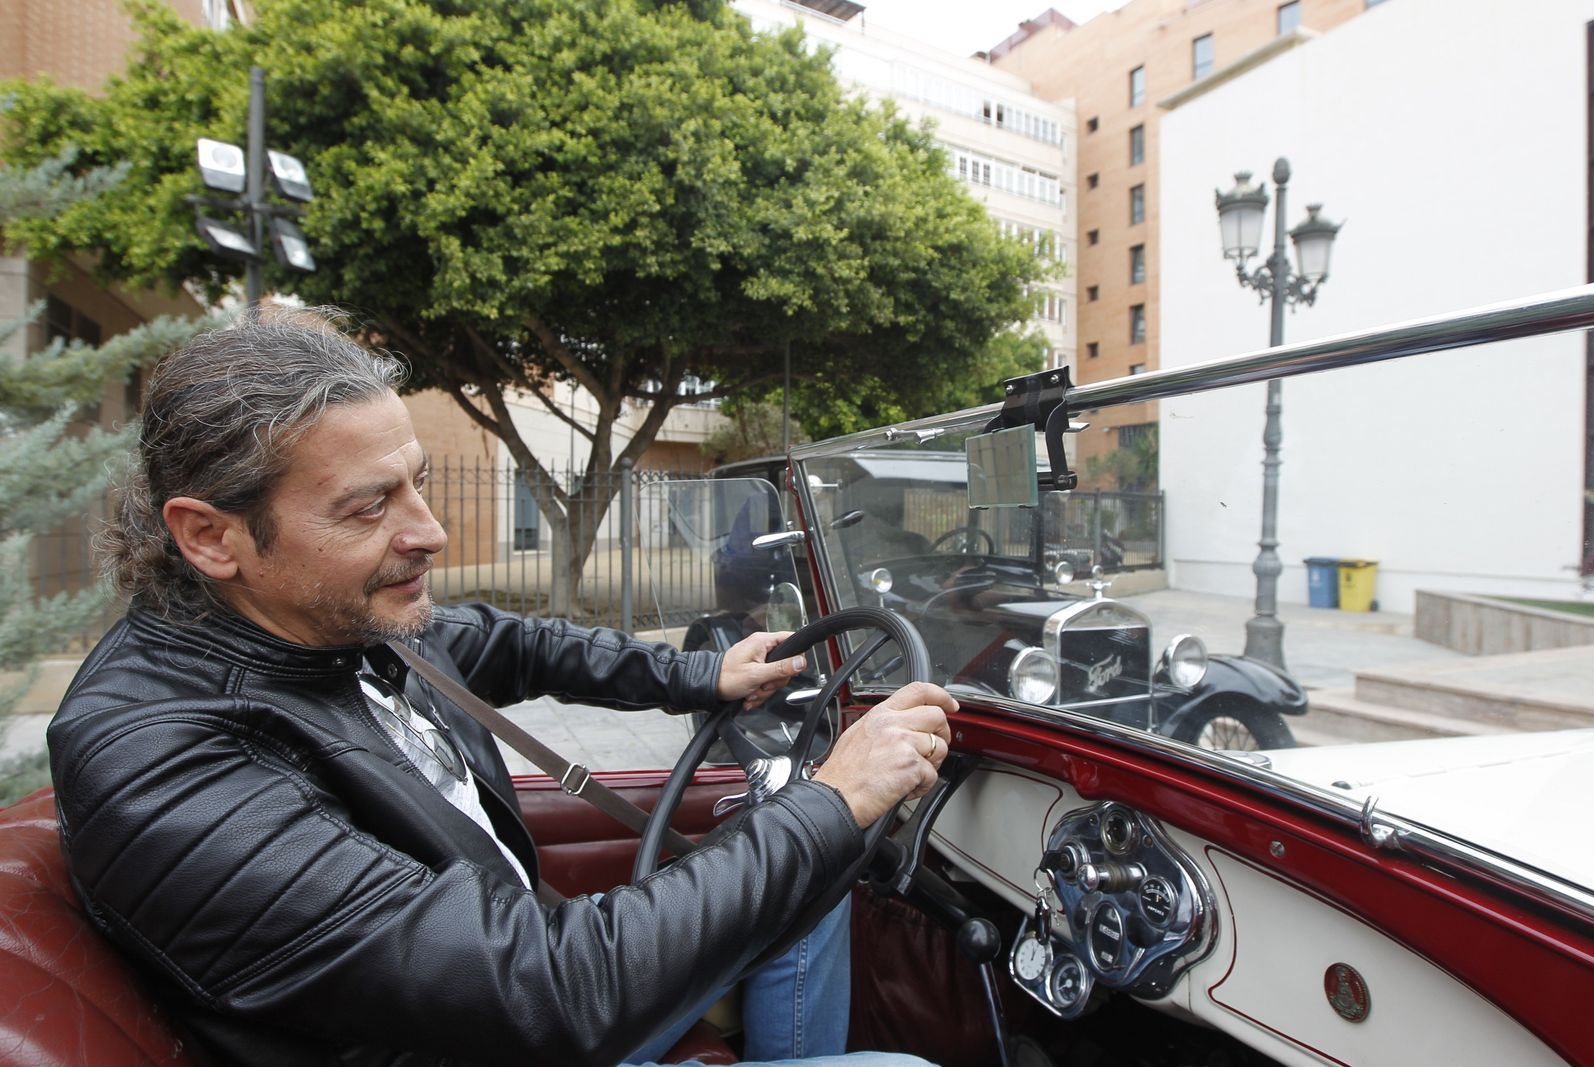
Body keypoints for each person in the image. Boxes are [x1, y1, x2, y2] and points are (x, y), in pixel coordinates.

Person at [47, 310, 955, 1067]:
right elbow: (544, 993)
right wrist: (833, 799)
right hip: (517, 1027)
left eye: (421, 484)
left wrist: (699, 673)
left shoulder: (324, 621)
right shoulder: (157, 757)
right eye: (370, 505)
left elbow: (514, 642)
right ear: (212, 536)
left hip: (533, 991)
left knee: (813, 876)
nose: (431, 531)